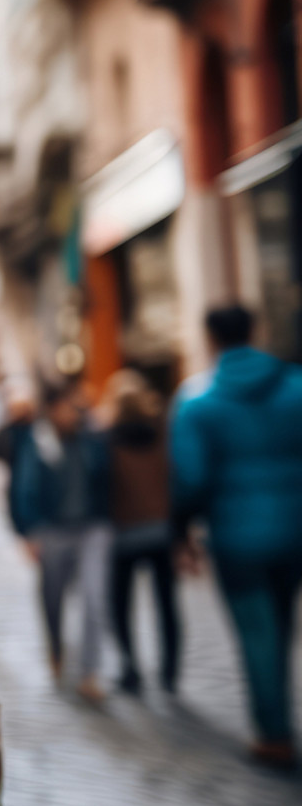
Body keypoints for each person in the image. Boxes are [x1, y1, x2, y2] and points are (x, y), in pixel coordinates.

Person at [171, 305, 302, 769]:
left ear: (210, 339)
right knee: (282, 626)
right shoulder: (295, 386)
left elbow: (189, 477)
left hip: (236, 538)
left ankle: (274, 732)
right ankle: (279, 713)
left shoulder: (197, 401)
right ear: (256, 331)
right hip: (294, 532)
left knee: (256, 633)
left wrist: (181, 532)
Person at [3, 380, 112, 704]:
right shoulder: (37, 441)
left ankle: (90, 673)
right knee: (52, 598)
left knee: (95, 598)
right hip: (52, 530)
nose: (72, 412)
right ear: (52, 409)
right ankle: (56, 647)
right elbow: (24, 488)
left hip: (92, 528)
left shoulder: (91, 437)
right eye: (67, 405)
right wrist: (29, 531)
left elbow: (108, 475)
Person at [98, 368, 179, 695]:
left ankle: (131, 668)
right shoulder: (162, 433)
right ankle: (170, 670)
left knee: (120, 603)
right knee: (167, 604)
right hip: (161, 529)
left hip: (124, 532)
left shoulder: (107, 440)